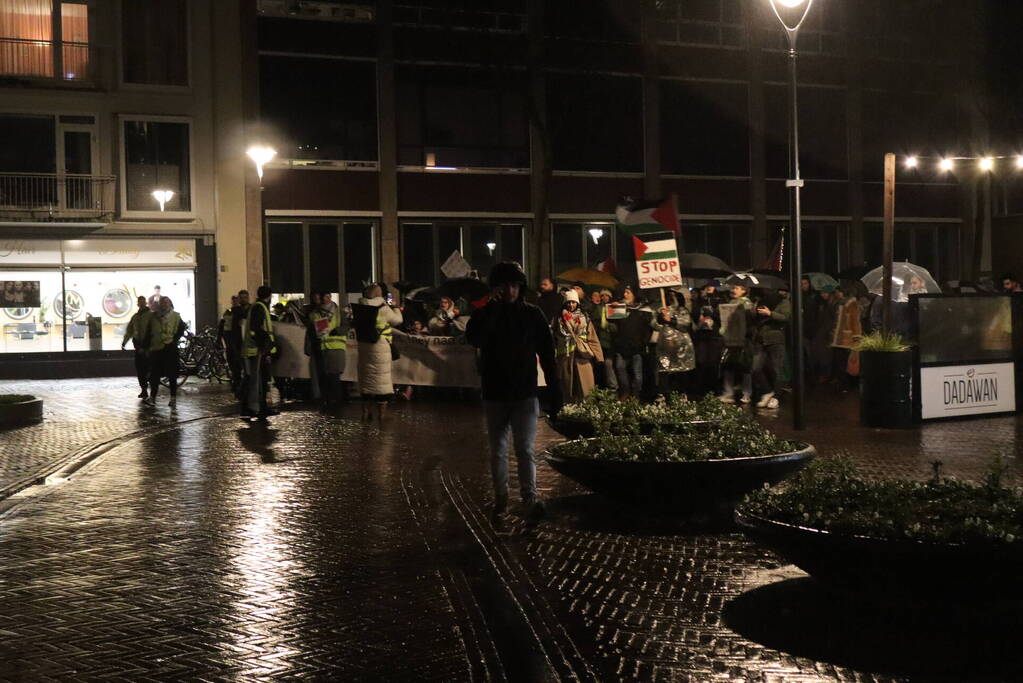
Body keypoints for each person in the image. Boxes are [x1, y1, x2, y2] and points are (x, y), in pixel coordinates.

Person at [466, 262, 560, 525]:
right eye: (504, 285)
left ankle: (530, 499)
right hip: (495, 392)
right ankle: (501, 497)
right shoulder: (485, 314)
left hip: (524, 392)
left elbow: (548, 354)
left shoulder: (532, 314)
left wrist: (554, 391)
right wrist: (492, 310)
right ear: (495, 288)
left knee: (525, 449)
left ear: (520, 287)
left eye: (514, 285)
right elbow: (475, 338)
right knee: (497, 449)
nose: (510, 290)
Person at [353, 284, 403, 421]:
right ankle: (382, 414)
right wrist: (395, 307)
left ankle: (365, 412)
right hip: (380, 345)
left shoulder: (360, 307)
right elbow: (398, 321)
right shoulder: (383, 308)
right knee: (381, 380)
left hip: (364, 345)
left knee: (366, 377)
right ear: (379, 295)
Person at [552, 289, 599, 401]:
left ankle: (586, 406)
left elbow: (592, 337)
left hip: (582, 354)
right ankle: (568, 406)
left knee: (584, 385)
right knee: (567, 385)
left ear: (577, 303)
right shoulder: (559, 319)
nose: (571, 305)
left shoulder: (584, 318)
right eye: (568, 302)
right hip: (565, 355)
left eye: (573, 302)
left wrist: (598, 355)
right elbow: (554, 336)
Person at [240, 285, 278, 421]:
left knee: (260, 380)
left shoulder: (257, 307)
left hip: (256, 349)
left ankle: (259, 407)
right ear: (269, 296)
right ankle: (255, 408)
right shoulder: (260, 308)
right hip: (257, 350)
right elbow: (257, 329)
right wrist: (266, 344)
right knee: (256, 380)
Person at [612, 285, 653, 398]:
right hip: (622, 347)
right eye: (624, 292)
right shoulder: (620, 308)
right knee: (620, 370)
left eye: (628, 292)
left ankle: (635, 395)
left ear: (634, 295)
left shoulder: (643, 309)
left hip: (637, 347)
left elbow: (649, 326)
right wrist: (613, 308)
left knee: (637, 375)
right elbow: (610, 320)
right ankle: (625, 391)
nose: (625, 295)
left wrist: (643, 342)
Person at [752, 289, 790, 409]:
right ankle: (768, 391)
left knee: (777, 369)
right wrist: (754, 311)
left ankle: (776, 397)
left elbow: (785, 317)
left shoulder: (783, 302)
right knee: (755, 368)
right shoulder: (761, 301)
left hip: (775, 339)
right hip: (761, 339)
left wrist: (770, 313)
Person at [144, 296, 185, 408]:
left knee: (172, 374)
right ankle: (152, 397)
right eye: (162, 303)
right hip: (156, 348)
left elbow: (181, 328)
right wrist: (146, 346)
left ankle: (173, 398)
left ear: (170, 304)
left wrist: (174, 339)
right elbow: (148, 331)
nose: (164, 305)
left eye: (166, 303)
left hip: (170, 347)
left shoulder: (175, 316)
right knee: (154, 374)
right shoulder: (154, 316)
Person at [651, 293, 695, 395]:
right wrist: (660, 317)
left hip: (681, 346)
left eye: (673, 296)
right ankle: (664, 395)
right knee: (664, 370)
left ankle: (682, 394)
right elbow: (654, 325)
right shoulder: (660, 310)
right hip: (665, 346)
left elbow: (686, 323)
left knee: (681, 371)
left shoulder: (682, 310)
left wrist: (671, 320)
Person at [308, 291, 347, 404]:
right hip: (322, 348)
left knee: (334, 376)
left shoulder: (339, 312)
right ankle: (328, 400)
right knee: (324, 376)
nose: (323, 299)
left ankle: (336, 400)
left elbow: (346, 326)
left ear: (330, 296)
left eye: (325, 296)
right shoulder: (315, 313)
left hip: (336, 347)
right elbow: (312, 329)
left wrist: (337, 331)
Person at [719, 283, 754, 403]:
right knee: (729, 365)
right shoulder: (732, 302)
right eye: (733, 288)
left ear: (744, 290)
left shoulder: (746, 303)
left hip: (743, 339)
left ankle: (746, 393)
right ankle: (728, 393)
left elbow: (749, 320)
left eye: (736, 288)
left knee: (744, 366)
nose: (733, 290)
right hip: (731, 339)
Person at [121, 295, 155, 400]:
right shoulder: (135, 317)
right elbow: (130, 331)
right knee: (140, 369)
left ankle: (152, 390)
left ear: (145, 303)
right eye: (140, 301)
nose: (141, 303)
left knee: (149, 369)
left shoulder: (151, 315)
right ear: (138, 304)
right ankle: (144, 389)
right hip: (138, 346)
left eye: (142, 301)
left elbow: (155, 330)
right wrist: (124, 342)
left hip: (149, 347)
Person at [229, 290, 251, 396]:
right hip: (237, 343)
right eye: (241, 298)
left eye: (245, 297)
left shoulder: (252, 310)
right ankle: (238, 388)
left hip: (249, 343)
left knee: (248, 369)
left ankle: (243, 389)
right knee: (237, 367)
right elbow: (230, 327)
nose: (243, 300)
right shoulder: (234, 311)